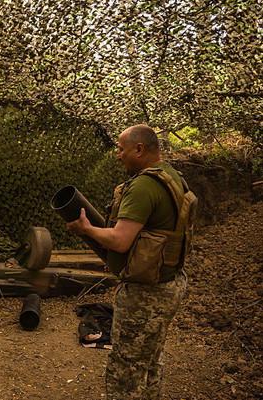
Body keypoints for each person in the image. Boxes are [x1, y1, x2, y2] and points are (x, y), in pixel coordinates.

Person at [65, 124, 196, 400]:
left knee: (125, 369)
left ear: (139, 149)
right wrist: (120, 260)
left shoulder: (143, 186)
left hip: (145, 295)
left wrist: (86, 229)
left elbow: (121, 240)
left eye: (121, 148)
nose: (117, 155)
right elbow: (152, 235)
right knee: (150, 357)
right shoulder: (171, 176)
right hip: (169, 284)